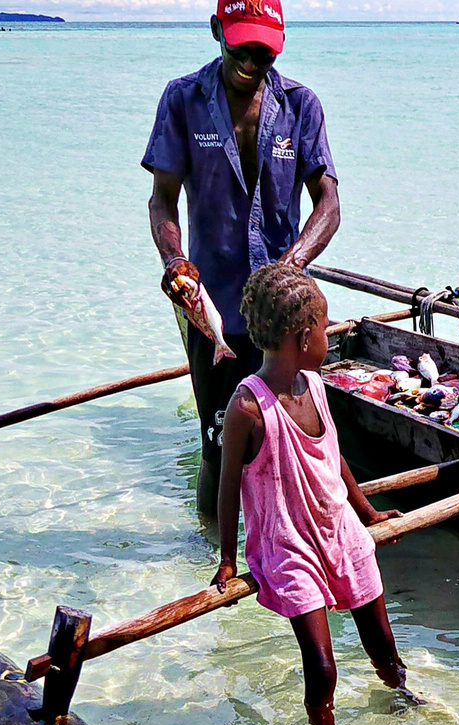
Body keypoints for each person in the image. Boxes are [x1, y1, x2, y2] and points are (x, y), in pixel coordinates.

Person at [212, 264, 408, 725]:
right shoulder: (248, 407)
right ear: (303, 336)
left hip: (337, 526)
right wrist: (229, 559)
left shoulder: (317, 387)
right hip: (287, 545)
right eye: (325, 325)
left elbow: (335, 459)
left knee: (381, 638)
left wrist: (365, 512)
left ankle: (402, 692)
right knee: (322, 664)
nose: (330, 333)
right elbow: (228, 486)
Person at [144, 0, 342, 516]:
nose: (251, 63)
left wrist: (292, 263)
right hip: (212, 310)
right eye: (241, 48)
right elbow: (162, 199)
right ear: (216, 30)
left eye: (264, 52)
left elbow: (329, 202)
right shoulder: (182, 99)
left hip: (283, 316)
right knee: (218, 446)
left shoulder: (302, 106)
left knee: (289, 443)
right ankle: (213, 555)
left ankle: (284, 558)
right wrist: (174, 262)